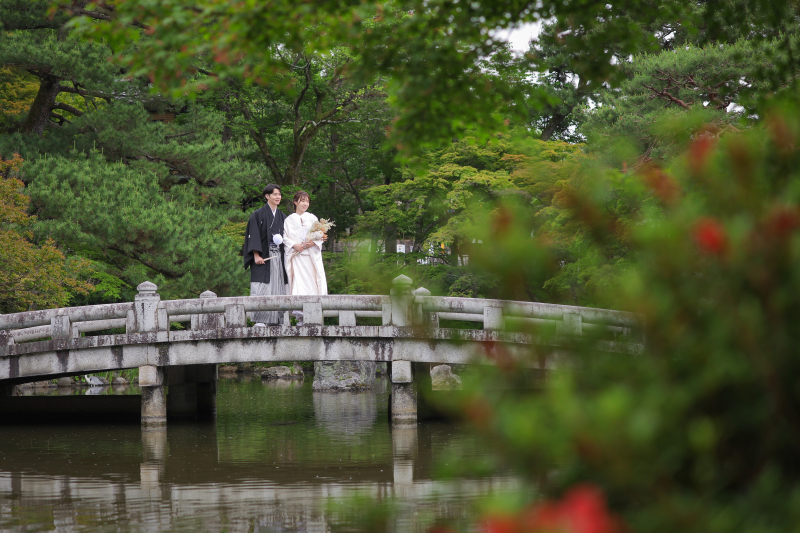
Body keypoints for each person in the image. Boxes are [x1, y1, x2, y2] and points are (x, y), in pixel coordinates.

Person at [242, 183, 289, 325]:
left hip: (278, 258)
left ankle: (278, 320)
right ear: (267, 196)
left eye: (279, 194)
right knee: (261, 287)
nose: (278, 197)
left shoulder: (283, 217)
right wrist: (256, 255)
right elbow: (253, 235)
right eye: (275, 194)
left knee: (278, 287)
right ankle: (260, 321)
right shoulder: (258, 214)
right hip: (263, 257)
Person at [283, 191, 328, 324]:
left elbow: (320, 236)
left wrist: (312, 243)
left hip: (311, 257)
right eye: (302, 201)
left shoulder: (312, 218)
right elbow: (285, 237)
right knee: (299, 283)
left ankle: (313, 315)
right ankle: (300, 315)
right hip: (297, 257)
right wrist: (294, 245)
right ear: (295, 202)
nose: (305, 204)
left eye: (307, 201)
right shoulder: (289, 220)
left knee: (313, 284)